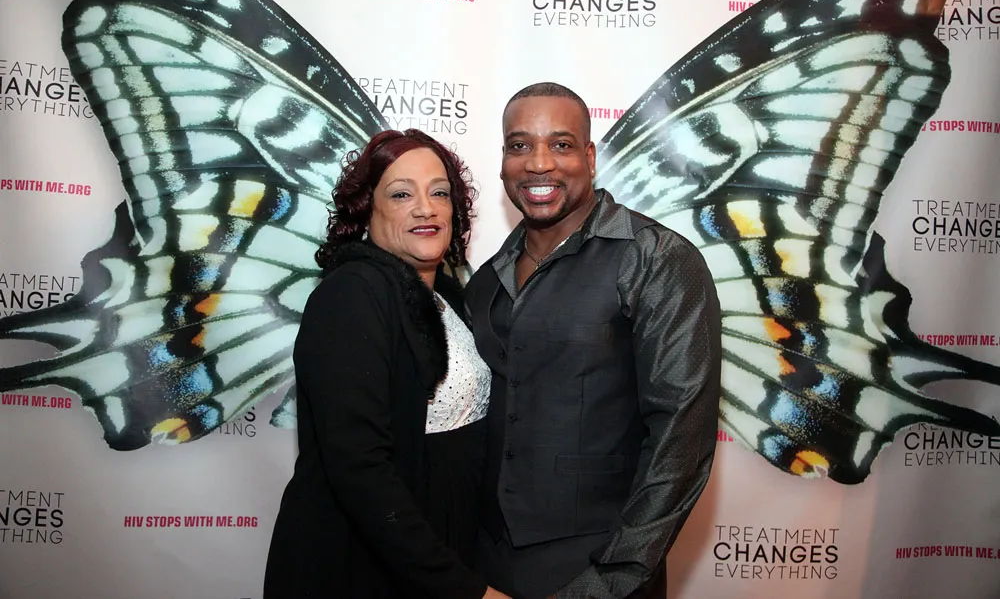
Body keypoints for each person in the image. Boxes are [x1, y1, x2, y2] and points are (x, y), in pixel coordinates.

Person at [466, 83, 722, 599]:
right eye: (520, 145)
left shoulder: (655, 259)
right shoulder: (487, 277)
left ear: (589, 156)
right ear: (503, 161)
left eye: (560, 144)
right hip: (487, 566)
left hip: (598, 569)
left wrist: (608, 581)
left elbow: (681, 442)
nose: (539, 163)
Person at [264, 129, 510, 599]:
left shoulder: (449, 299)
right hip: (367, 564)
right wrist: (462, 589)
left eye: (439, 193)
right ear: (366, 211)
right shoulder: (351, 295)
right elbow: (359, 468)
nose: (425, 208)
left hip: (442, 546)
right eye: (401, 194)